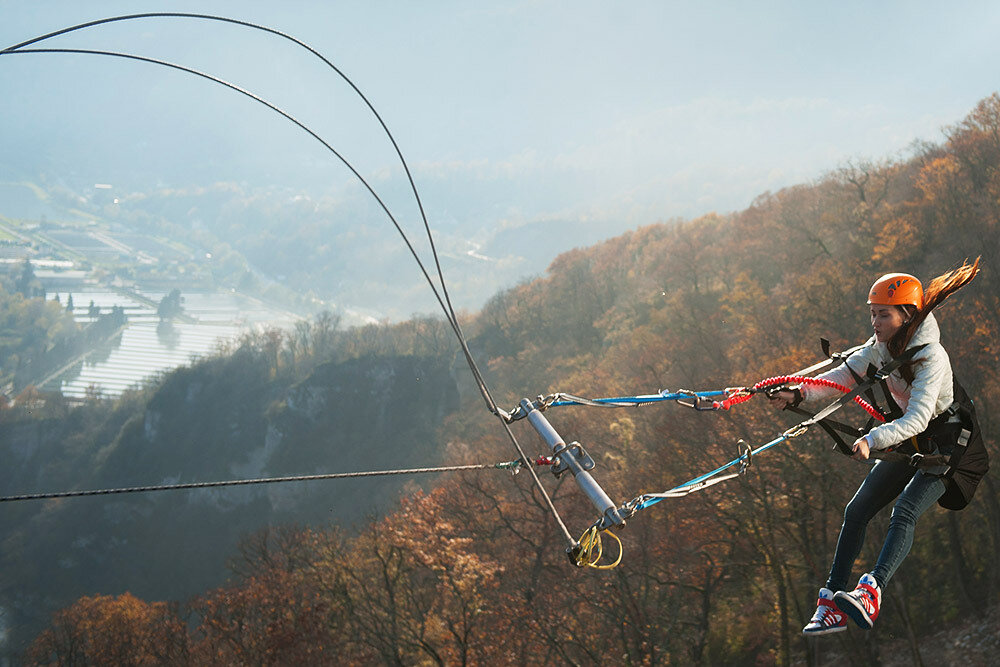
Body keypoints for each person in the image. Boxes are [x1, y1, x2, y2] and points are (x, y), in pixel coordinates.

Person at [769, 259, 988, 635]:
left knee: (904, 510)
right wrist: (798, 393)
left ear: (907, 315)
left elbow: (918, 419)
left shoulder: (931, 358)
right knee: (856, 511)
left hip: (952, 446)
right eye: (872, 315)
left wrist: (872, 439)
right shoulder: (881, 347)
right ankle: (832, 604)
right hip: (912, 440)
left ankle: (871, 592)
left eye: (882, 316)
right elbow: (844, 375)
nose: (875, 323)